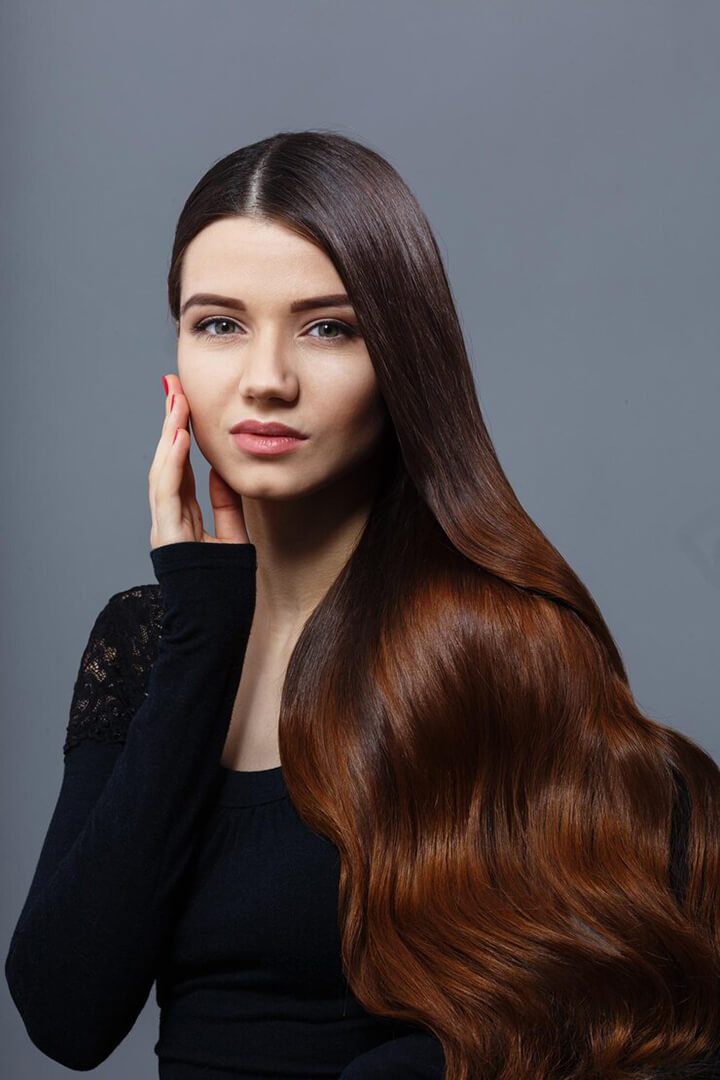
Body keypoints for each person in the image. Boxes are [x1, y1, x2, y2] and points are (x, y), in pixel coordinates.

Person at [5, 130, 720, 1080]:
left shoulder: (492, 637)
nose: (267, 378)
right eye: (219, 323)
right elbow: (66, 1013)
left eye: (327, 327)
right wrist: (206, 632)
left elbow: (635, 1001)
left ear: (402, 361)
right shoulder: (147, 640)